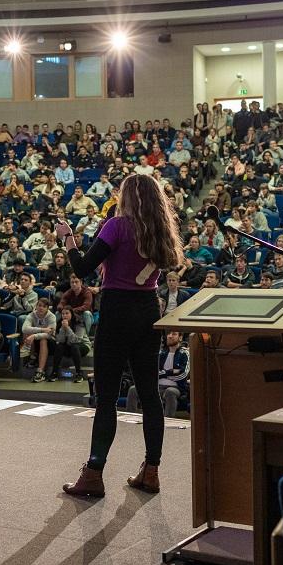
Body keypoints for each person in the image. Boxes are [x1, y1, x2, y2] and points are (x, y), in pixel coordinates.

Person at [56, 173, 183, 498]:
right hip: (146, 310)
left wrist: (68, 239)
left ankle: (94, 474)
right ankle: (151, 470)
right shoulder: (161, 231)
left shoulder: (117, 226)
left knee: (108, 398)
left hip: (116, 311)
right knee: (150, 394)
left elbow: (83, 268)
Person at [126, 331, 189, 417]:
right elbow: (152, 371)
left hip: (175, 387)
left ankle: (167, 421)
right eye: (169, 334)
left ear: (180, 338)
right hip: (156, 385)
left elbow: (183, 375)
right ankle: (130, 417)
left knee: (170, 392)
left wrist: (163, 374)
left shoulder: (185, 353)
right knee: (133, 389)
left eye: (174, 334)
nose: (170, 336)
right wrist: (170, 372)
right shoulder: (161, 353)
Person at [49, 305, 92, 382]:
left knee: (74, 346)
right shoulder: (59, 324)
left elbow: (77, 340)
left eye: (67, 313)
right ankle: (54, 372)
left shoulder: (79, 323)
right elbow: (60, 340)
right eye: (63, 314)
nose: (64, 316)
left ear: (71, 314)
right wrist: (63, 328)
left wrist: (67, 328)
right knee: (59, 346)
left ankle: (79, 373)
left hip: (82, 345)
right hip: (68, 346)